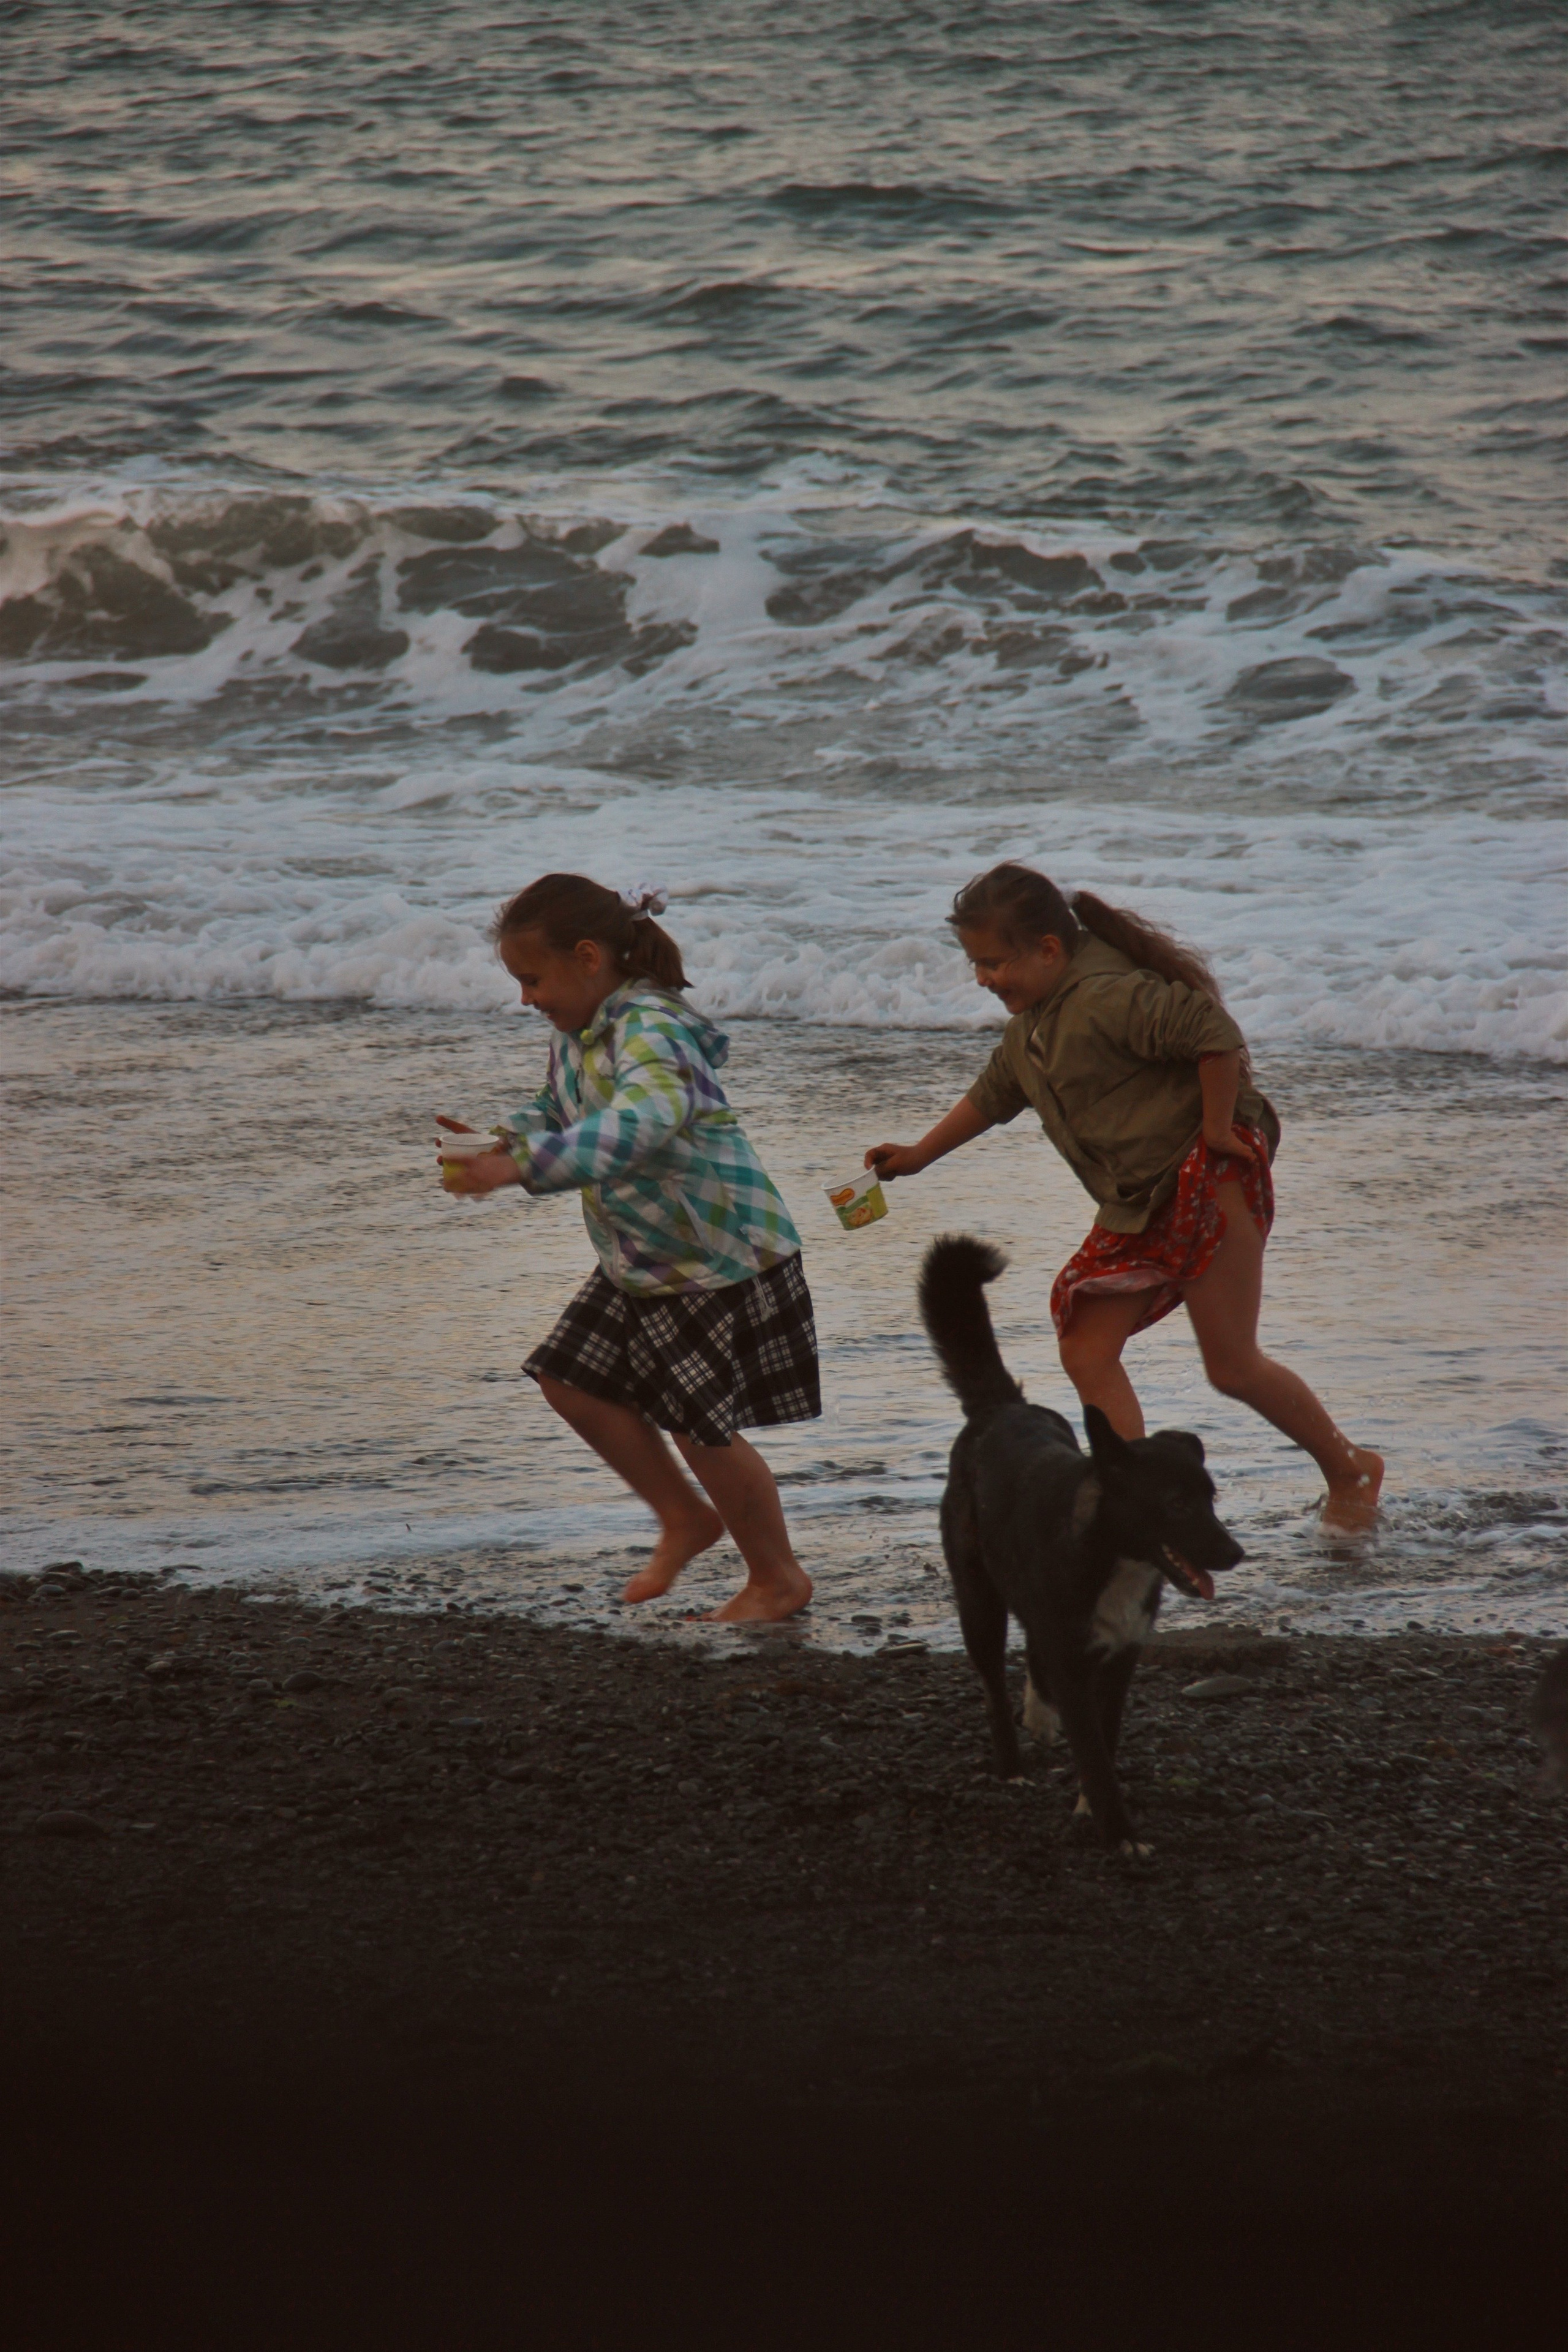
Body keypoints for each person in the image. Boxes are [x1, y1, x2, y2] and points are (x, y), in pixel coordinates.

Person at [865, 862, 1383, 1531]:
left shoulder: (1110, 996)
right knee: (1085, 1345)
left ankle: (1350, 1468)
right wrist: (917, 1155)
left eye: (994, 963)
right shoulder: (1032, 1027)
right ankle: (1130, 1503)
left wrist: (1217, 1127)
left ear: (1048, 949)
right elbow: (994, 1094)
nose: (983, 979)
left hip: (1208, 1181)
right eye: (976, 964)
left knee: (1232, 1365)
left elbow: (1213, 1036)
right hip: (1142, 1202)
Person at [439, 873, 817, 1623]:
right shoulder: (577, 1035)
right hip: (643, 1258)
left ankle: (777, 1577)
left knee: (698, 1426)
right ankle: (683, 1517)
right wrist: (506, 1139)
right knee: (568, 1379)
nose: (526, 999)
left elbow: (640, 1125)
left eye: (533, 980)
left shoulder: (651, 1029)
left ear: (588, 957)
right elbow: (558, 1110)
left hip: (716, 1255)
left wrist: (523, 1168)